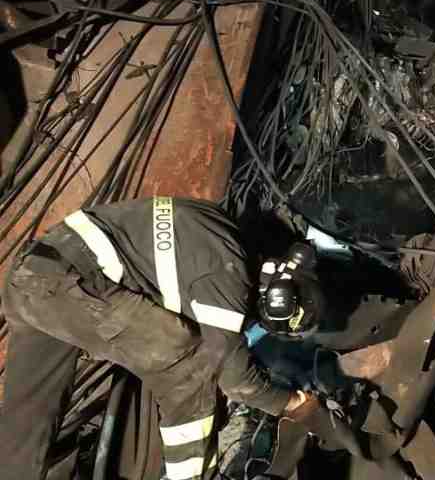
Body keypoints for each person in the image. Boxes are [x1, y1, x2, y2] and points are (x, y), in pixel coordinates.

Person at [0, 196, 315, 480]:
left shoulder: (216, 229)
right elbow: (235, 378)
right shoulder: (227, 268)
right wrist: (295, 404)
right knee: (191, 367)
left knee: (27, 423)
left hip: (33, 273)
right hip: (72, 283)